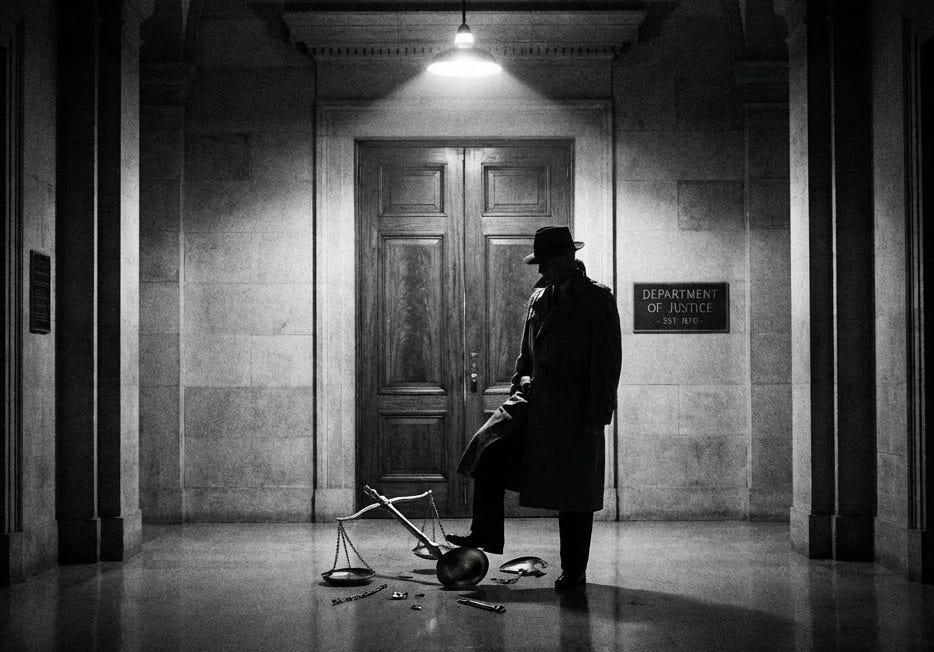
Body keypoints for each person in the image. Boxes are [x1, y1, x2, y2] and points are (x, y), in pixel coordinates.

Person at [447, 225, 622, 591]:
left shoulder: (597, 299)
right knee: (487, 449)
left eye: (545, 264)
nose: (541, 272)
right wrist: (520, 379)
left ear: (566, 260)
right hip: (533, 403)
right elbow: (526, 352)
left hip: (575, 413)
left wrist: (596, 416)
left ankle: (574, 570)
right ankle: (486, 533)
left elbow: (608, 363)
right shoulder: (540, 297)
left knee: (574, 498)